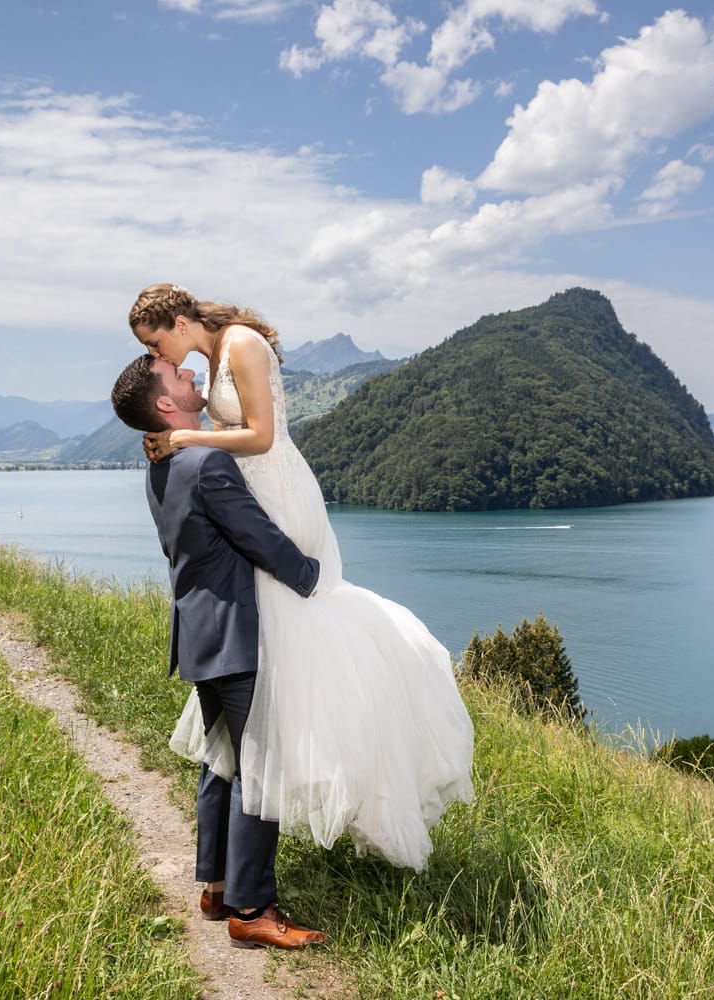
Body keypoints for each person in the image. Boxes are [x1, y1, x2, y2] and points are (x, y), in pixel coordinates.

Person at [128, 282, 474, 872]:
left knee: (294, 641)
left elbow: (261, 435)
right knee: (271, 673)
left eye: (156, 344)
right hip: (245, 496)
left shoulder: (239, 344)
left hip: (277, 494)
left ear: (179, 322)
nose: (160, 359)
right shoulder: (209, 358)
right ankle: (242, 868)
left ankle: (252, 851)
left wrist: (186, 435)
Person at [110, 354, 328, 950]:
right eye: (180, 377)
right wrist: (312, 577)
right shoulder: (207, 462)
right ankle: (253, 908)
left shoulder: (161, 467)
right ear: (164, 403)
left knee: (222, 757)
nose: (193, 378)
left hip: (200, 635)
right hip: (235, 632)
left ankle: (215, 883)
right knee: (260, 764)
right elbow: (257, 536)